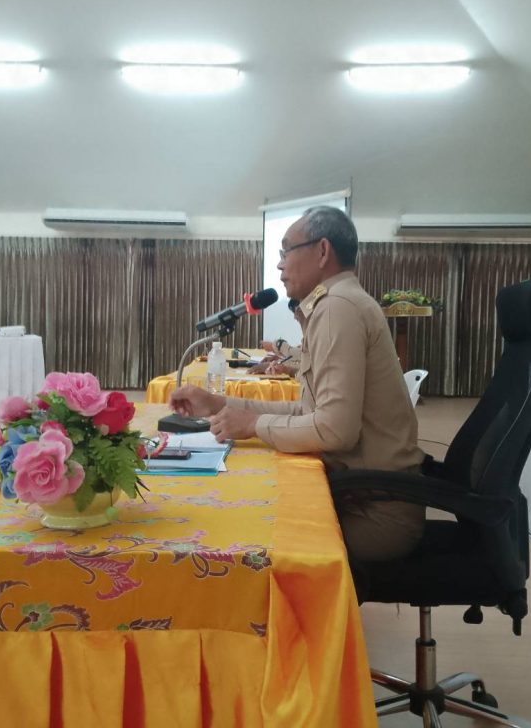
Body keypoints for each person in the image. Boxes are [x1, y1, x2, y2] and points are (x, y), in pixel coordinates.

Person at [170, 206, 425, 562]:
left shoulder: (337, 307)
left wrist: (254, 425)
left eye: (286, 251)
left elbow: (334, 431)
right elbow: (308, 412)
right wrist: (220, 405)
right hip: (362, 495)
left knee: (242, 539)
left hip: (374, 512)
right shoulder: (337, 303)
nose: (279, 265)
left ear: (322, 251)